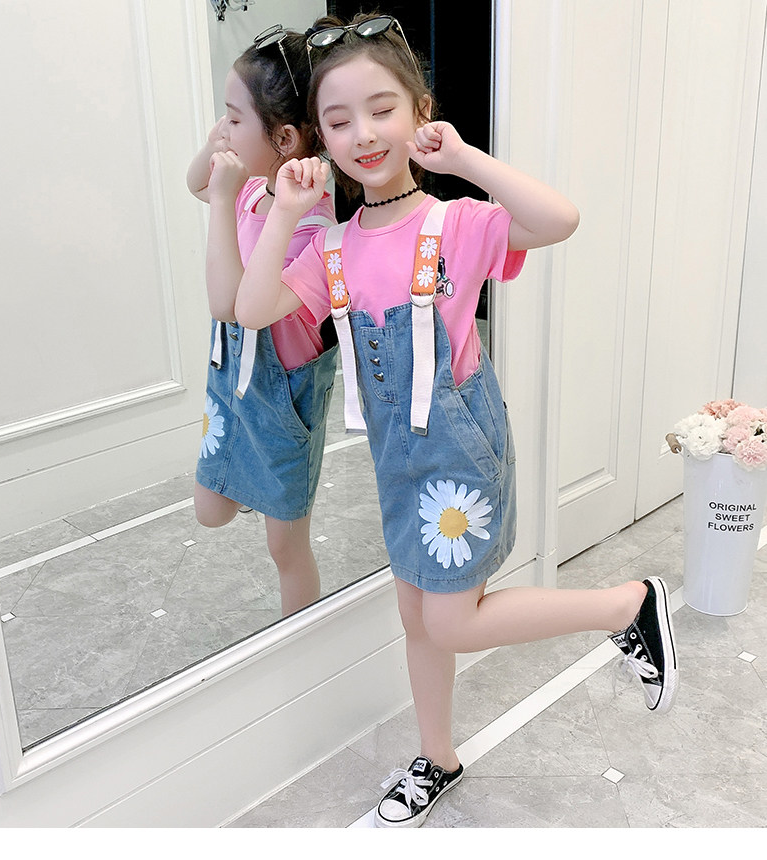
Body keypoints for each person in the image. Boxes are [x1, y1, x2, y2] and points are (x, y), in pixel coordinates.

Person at [236, 12, 679, 827]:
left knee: (449, 620)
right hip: (397, 462)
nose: (364, 134)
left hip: (461, 454)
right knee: (418, 619)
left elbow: (558, 219)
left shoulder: (458, 224)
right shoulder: (330, 247)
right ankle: (437, 755)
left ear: (419, 111)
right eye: (339, 121)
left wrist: (467, 160)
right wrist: (284, 215)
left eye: (382, 109)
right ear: (321, 140)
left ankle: (626, 605)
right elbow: (253, 306)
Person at [186, 25, 338, 618]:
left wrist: (224, 199)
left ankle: (302, 640)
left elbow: (228, 305)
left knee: (284, 546)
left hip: (283, 399)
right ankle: (256, 482)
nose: (223, 131)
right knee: (211, 510)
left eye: (234, 119)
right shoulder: (255, 189)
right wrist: (218, 142)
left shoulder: (311, 230)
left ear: (284, 138)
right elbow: (196, 183)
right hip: (232, 378)